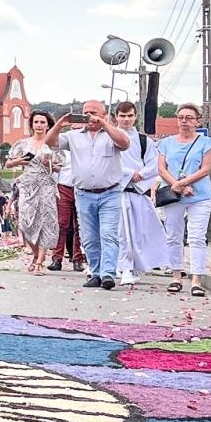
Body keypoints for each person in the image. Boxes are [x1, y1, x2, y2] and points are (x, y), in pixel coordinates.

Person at [44, 99, 131, 290]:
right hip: (84, 194)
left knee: (108, 234)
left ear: (104, 114)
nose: (89, 116)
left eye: (94, 112)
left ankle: (108, 273)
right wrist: (61, 123)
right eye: (86, 112)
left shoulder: (112, 133)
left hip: (110, 192)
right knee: (90, 237)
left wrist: (105, 125)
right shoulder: (74, 136)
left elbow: (124, 143)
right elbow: (50, 142)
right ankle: (95, 272)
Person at [158, 103, 211, 297]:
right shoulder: (166, 143)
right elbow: (161, 168)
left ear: (197, 121)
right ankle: (176, 275)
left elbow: (206, 168)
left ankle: (197, 279)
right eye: (181, 117)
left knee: (196, 236)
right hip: (174, 195)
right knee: (173, 235)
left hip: (199, 195)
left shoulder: (205, 143)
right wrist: (177, 185)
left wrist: (185, 183)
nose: (184, 121)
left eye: (189, 118)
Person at [112, 100, 168, 288]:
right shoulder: (109, 136)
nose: (126, 119)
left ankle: (136, 266)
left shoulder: (144, 141)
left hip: (136, 191)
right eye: (122, 116)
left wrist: (141, 175)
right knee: (121, 233)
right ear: (116, 117)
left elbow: (155, 163)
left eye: (129, 116)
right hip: (116, 191)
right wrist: (128, 173)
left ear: (135, 117)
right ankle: (123, 267)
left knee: (139, 232)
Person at [7, 111, 59, 273]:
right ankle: (36, 254)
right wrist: (19, 161)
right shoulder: (23, 144)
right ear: (31, 125)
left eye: (42, 122)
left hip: (46, 185)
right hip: (28, 185)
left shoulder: (53, 144)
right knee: (25, 222)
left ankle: (40, 262)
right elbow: (8, 164)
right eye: (36, 122)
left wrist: (50, 163)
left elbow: (60, 167)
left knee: (45, 223)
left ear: (48, 125)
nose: (39, 125)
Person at [48, 134, 87, 273]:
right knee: (62, 223)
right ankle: (56, 258)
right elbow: (52, 165)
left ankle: (77, 259)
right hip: (64, 187)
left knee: (79, 226)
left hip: (82, 187)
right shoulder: (62, 151)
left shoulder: (86, 149)